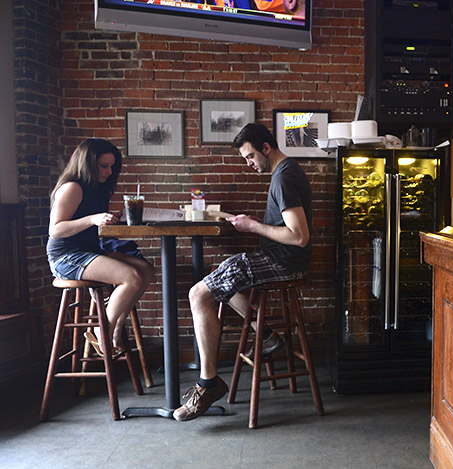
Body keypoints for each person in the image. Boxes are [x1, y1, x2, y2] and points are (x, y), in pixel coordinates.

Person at [173, 122, 312, 422]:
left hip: (284, 262)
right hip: (278, 258)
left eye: (250, 157)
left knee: (198, 293)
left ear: (266, 148)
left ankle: (208, 383)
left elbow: (299, 236)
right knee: (220, 277)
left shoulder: (284, 177)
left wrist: (251, 226)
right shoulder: (285, 172)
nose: (249, 164)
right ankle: (269, 335)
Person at [47, 138, 154, 356]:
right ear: (87, 163)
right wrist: (93, 219)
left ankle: (114, 329)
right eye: (104, 166)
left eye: (111, 167)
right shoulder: (72, 188)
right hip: (66, 256)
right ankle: (101, 331)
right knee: (132, 276)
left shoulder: (97, 189)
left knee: (146, 269)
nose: (108, 171)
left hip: (89, 251)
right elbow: (55, 230)